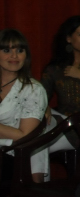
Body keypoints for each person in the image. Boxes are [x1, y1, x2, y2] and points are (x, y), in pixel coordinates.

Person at [0, 29, 48, 182]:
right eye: (7, 50)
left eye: (20, 50)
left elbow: (24, 135)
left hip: (12, 156)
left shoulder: (33, 89)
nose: (14, 56)